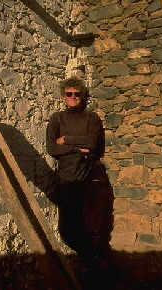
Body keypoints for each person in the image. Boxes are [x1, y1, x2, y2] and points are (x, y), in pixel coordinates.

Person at [46, 76, 114, 281]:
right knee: (67, 228)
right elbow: (51, 148)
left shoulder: (91, 118)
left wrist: (66, 140)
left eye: (77, 94)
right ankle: (94, 259)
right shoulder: (57, 119)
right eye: (69, 94)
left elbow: (93, 143)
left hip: (91, 175)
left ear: (82, 96)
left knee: (94, 226)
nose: (73, 97)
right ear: (63, 96)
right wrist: (77, 148)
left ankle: (96, 273)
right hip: (67, 176)